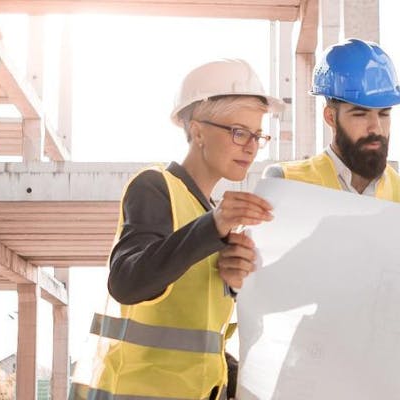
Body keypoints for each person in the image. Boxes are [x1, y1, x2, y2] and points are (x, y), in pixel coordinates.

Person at [73, 58, 282, 400]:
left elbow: (200, 345)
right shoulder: (155, 187)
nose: (251, 146)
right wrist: (213, 226)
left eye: (258, 135)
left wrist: (237, 284)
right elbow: (127, 282)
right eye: (239, 132)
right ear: (197, 131)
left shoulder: (214, 219)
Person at [265, 39, 400, 210]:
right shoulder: (284, 183)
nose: (376, 128)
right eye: (360, 114)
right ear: (330, 117)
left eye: (384, 114)